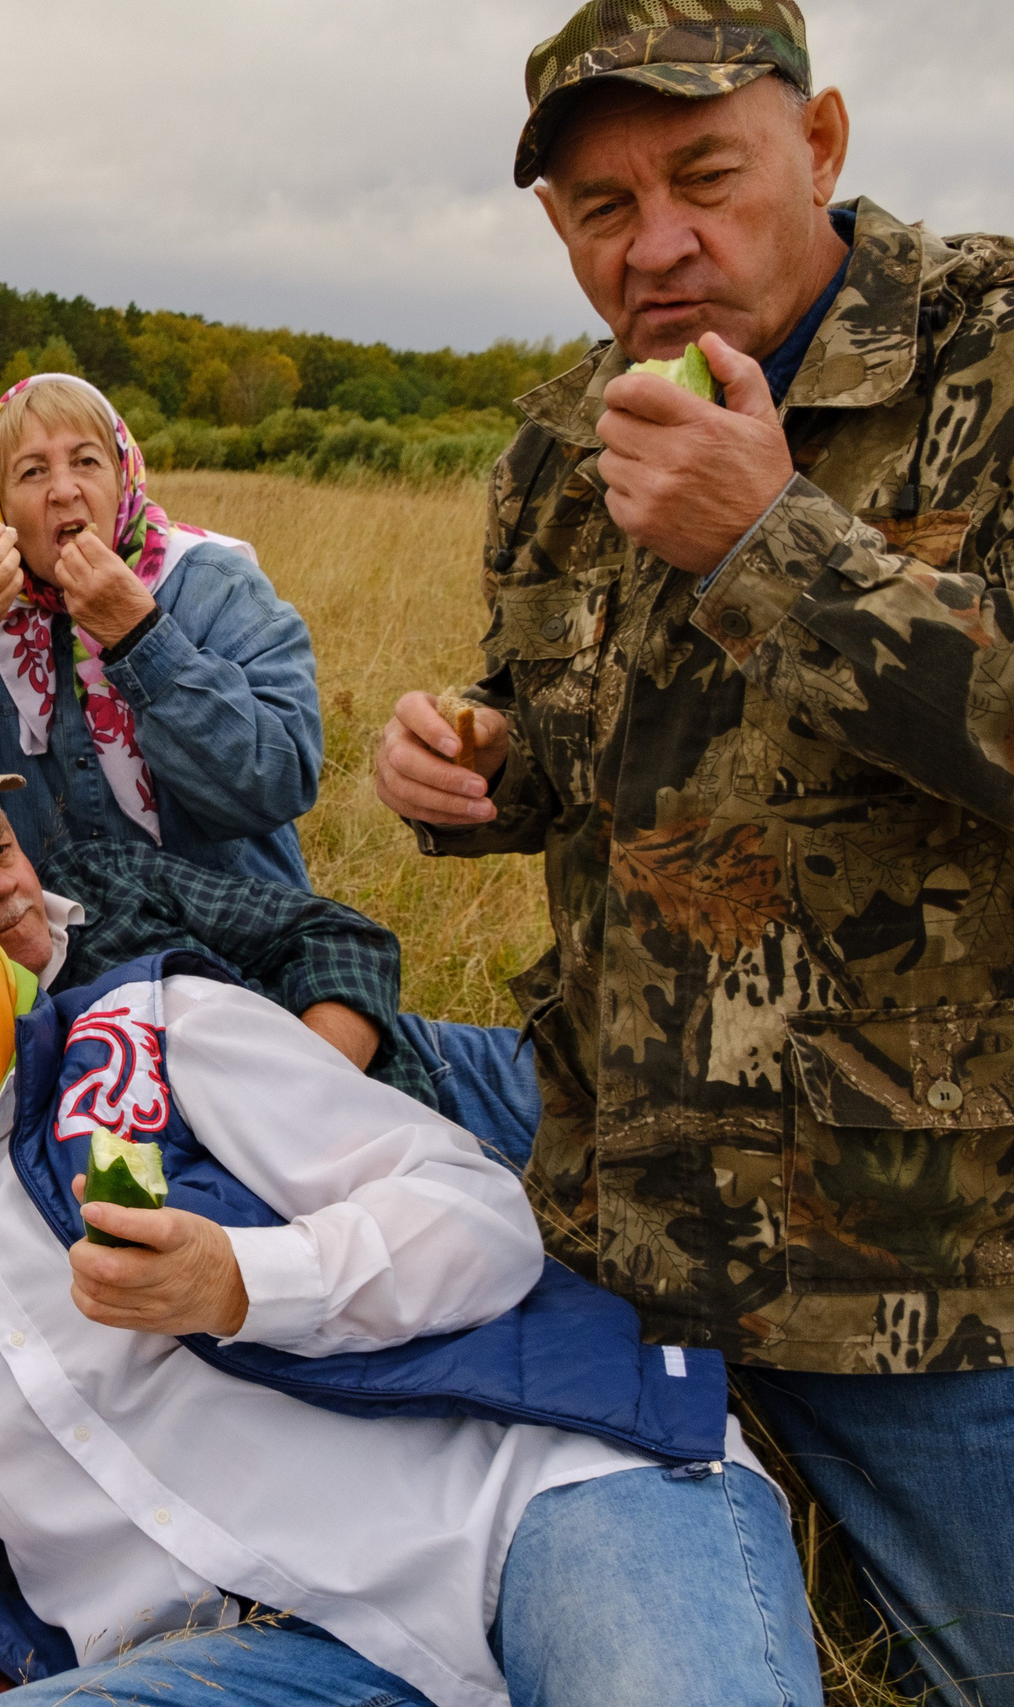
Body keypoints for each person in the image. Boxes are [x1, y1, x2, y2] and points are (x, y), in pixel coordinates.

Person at [370, 5, 1014, 1696]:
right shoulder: (560, 441)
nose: (657, 244)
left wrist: (768, 544)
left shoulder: (995, 360)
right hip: (623, 1253)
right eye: (597, 207)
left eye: (706, 176)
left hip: (934, 1281)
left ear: (822, 145)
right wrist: (476, 764)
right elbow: (559, 742)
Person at [0, 871, 817, 1707]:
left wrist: (242, 1281)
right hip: (245, 1665)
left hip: (523, 1506)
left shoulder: (148, 1036)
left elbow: (478, 1216)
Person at [0, 747, 543, 1164]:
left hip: (431, 1068)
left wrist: (310, 1082)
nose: (3, 884)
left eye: (2, 845)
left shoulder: (104, 876)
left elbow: (340, 934)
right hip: (369, 1187)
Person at [0, 373, 320, 887]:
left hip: (231, 936)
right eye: (32, 472)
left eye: (86, 462)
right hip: (54, 945)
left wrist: (140, 637)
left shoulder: (218, 587)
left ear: (123, 479)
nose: (63, 490)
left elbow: (279, 784)